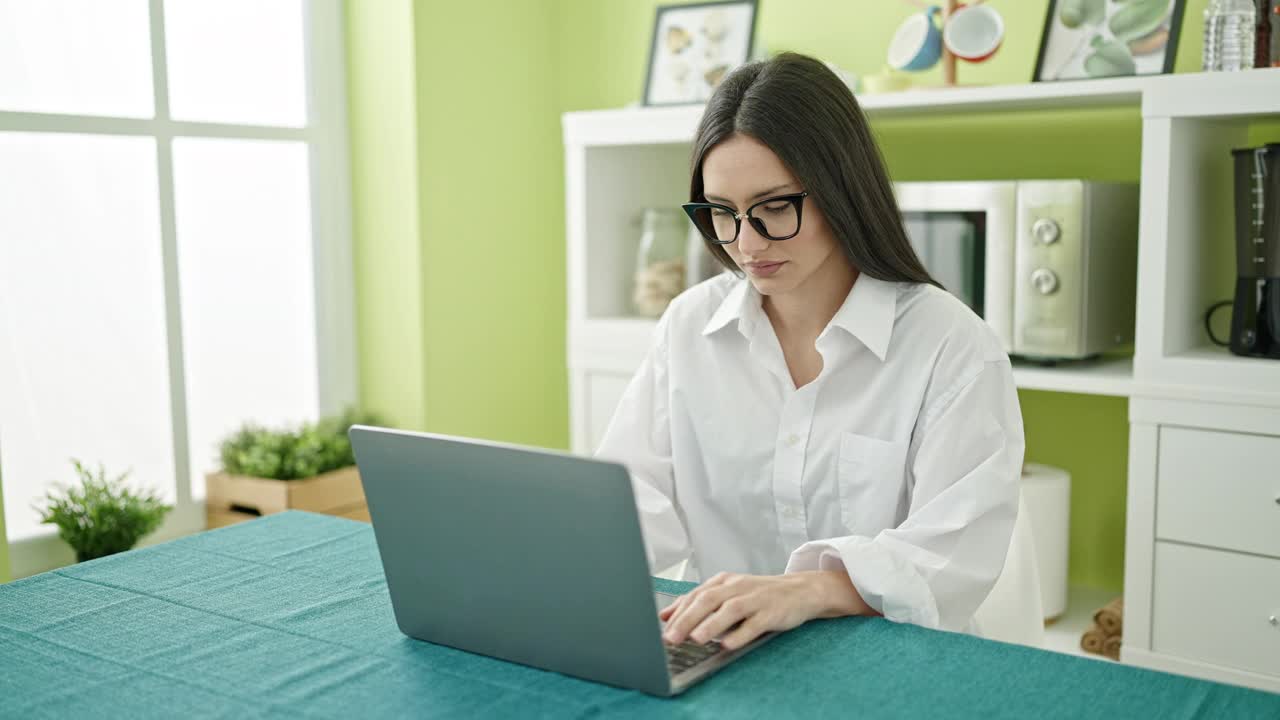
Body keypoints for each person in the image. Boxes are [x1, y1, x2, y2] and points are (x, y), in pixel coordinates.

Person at [594, 52, 1024, 653]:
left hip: (886, 659)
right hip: (719, 654)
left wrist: (808, 591)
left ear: (841, 190)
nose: (745, 243)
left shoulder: (950, 346)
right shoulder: (688, 328)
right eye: (721, 213)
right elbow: (629, 507)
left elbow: (953, 552)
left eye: (774, 207)